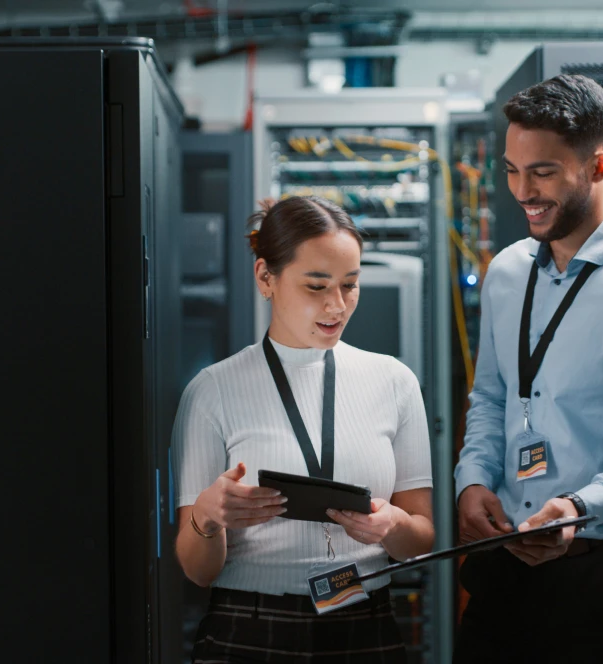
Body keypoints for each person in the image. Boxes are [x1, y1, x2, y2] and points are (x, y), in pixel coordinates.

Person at [172, 195, 435, 664]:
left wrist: (391, 525)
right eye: (316, 286)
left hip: (364, 622)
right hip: (250, 628)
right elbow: (198, 571)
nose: (337, 305)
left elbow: (421, 537)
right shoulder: (212, 391)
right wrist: (207, 517)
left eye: (350, 285)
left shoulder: (394, 382)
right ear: (265, 278)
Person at [453, 74, 603, 663]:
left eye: (543, 172)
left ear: (599, 166)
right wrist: (473, 480)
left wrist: (583, 508)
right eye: (511, 169)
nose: (521, 191)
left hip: (594, 568)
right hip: (502, 563)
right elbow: (491, 398)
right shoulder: (507, 272)